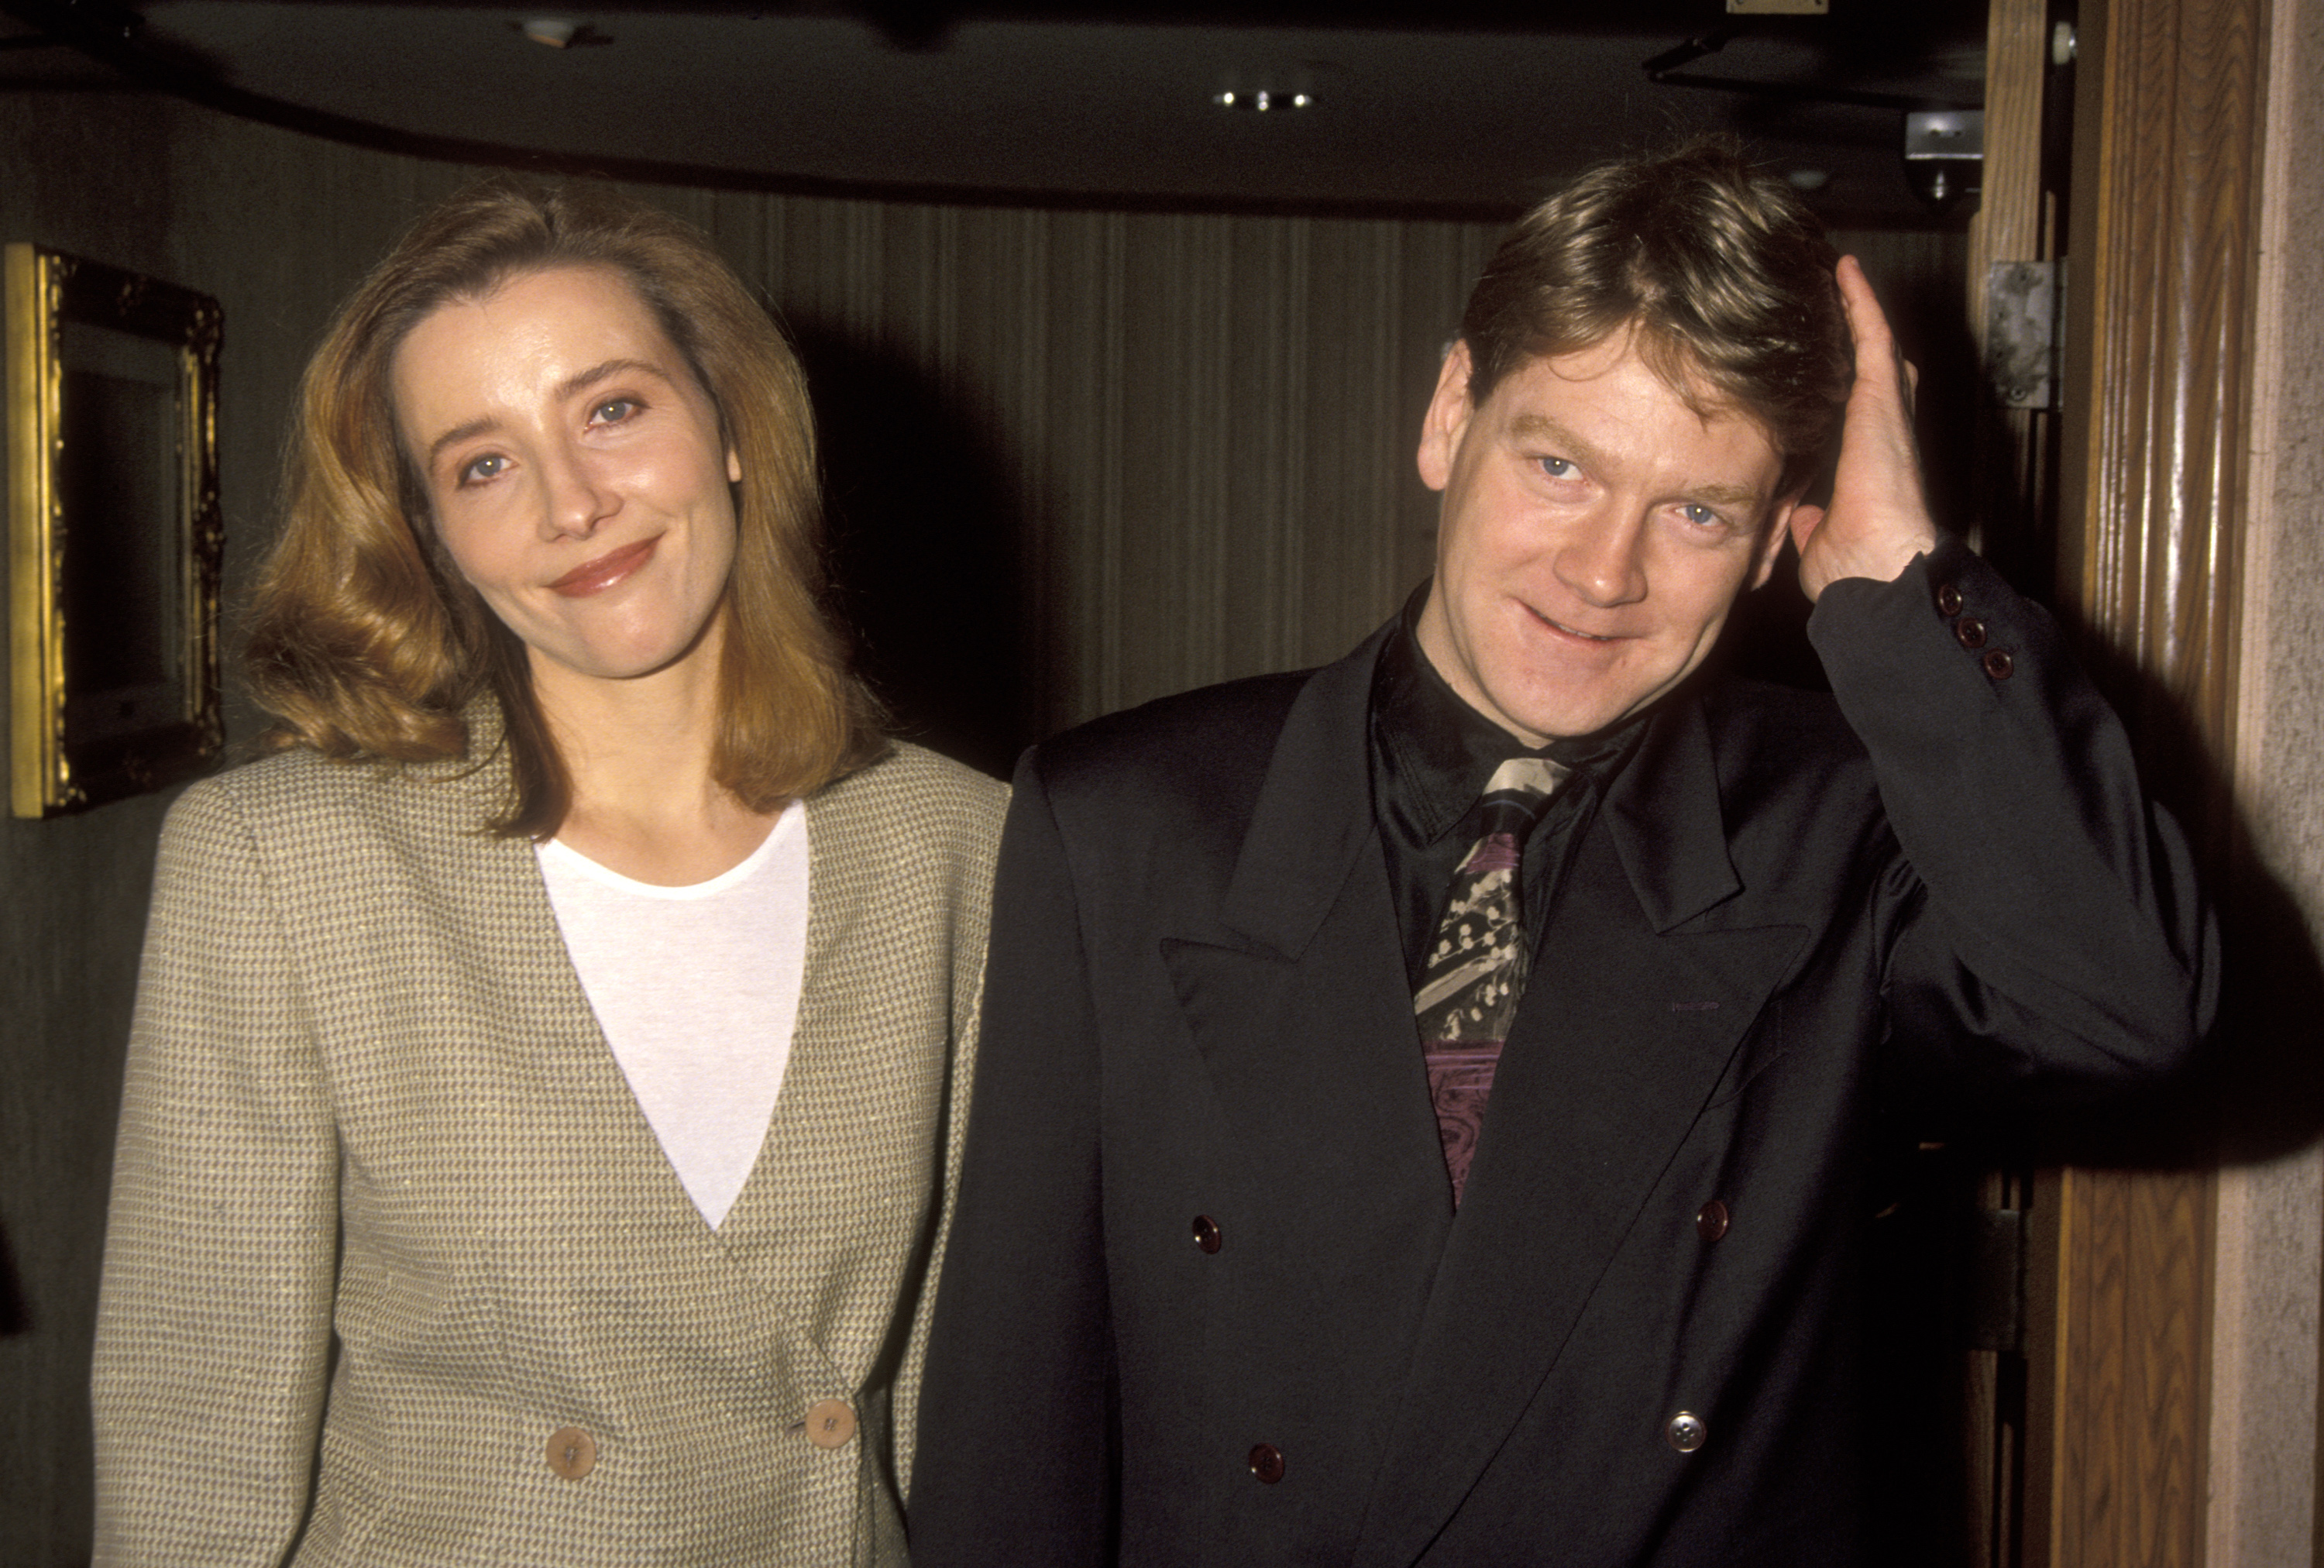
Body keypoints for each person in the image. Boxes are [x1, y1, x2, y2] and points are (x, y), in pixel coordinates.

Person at [909, 140, 2215, 1565]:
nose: (1605, 573)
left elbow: (2126, 1005)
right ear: (1448, 414)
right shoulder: (1126, 818)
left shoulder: (1843, 823)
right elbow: (1013, 1433)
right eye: (1558, 464)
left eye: (1698, 512)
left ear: (1780, 538)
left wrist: (1907, 592)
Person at [90, 181, 1005, 1566]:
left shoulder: (963, 849)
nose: (574, 504)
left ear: (736, 426)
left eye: (613, 409)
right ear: (432, 540)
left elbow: (966, 1386)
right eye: (484, 463)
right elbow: (195, 1433)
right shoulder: (279, 868)